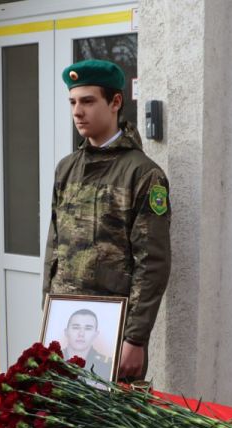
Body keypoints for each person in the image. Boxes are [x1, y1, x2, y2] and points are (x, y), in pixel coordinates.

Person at [43, 59, 171, 381]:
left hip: (114, 330)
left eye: (87, 101)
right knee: (64, 417)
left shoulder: (142, 174)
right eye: (72, 101)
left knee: (114, 424)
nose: (77, 111)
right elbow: (54, 242)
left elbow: (152, 261)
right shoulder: (66, 168)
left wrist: (135, 338)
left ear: (115, 103)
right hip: (66, 326)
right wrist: (48, 309)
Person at [63, 308, 113, 379]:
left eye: (88, 328)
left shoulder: (108, 365)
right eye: (76, 327)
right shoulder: (52, 360)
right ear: (66, 332)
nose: (81, 334)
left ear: (96, 334)